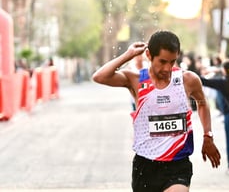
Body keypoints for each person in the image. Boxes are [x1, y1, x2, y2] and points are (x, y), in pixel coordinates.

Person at [92, 30, 221, 192]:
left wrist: (207, 135)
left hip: (178, 163)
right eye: (162, 61)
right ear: (149, 55)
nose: (167, 68)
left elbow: (202, 103)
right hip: (145, 165)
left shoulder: (187, 80)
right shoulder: (136, 79)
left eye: (172, 62)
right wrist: (128, 55)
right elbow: (99, 77)